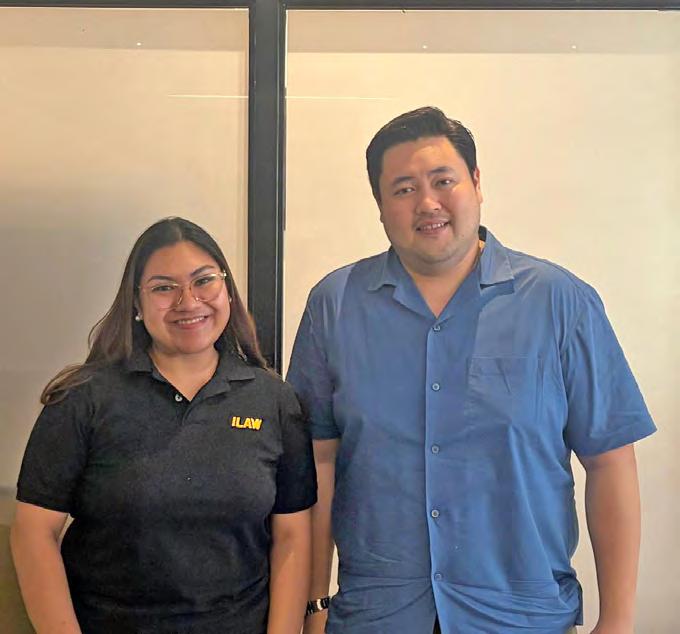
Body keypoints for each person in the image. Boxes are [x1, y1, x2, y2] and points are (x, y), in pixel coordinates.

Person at [288, 107, 656, 634]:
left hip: (521, 617)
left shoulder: (559, 302)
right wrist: (312, 605)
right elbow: (316, 464)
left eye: (443, 181)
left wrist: (616, 622)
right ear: (380, 206)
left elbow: (611, 461)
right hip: (378, 616)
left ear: (477, 183)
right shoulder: (335, 305)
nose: (427, 203)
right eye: (404, 189)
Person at [11, 217, 317, 634]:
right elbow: (33, 531)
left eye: (203, 281)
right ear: (136, 304)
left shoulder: (274, 400)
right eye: (163, 288)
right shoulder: (83, 399)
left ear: (227, 289)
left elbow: (292, 536)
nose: (188, 302)